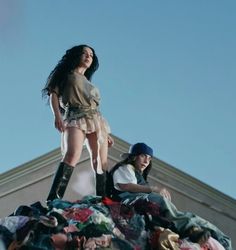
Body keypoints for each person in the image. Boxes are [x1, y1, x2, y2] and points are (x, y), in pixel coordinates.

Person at [107, 142, 232, 250]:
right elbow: (126, 186)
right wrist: (153, 189)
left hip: (146, 204)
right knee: (161, 202)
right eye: (143, 156)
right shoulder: (125, 168)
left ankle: (222, 240)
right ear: (134, 157)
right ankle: (191, 230)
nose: (146, 161)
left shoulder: (140, 176)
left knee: (191, 217)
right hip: (130, 202)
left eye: (149, 158)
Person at [42, 44, 113, 201]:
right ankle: (54, 198)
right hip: (74, 116)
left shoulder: (90, 83)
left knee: (101, 161)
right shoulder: (66, 75)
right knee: (72, 154)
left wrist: (105, 133)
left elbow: (96, 107)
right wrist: (57, 116)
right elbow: (53, 95)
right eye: (84, 53)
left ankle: (104, 199)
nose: (88, 56)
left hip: (96, 120)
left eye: (91, 55)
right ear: (76, 56)